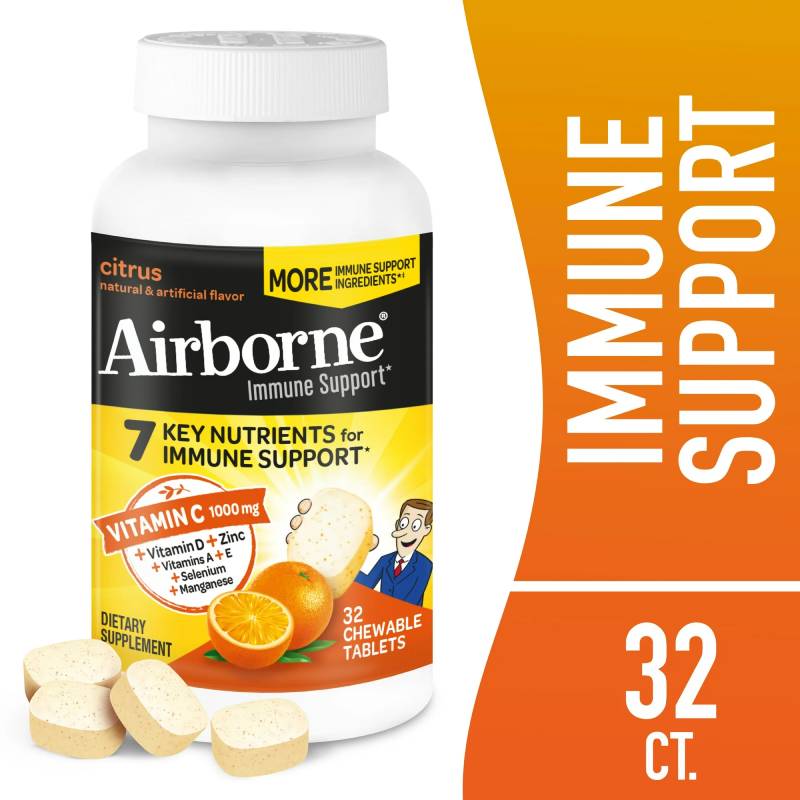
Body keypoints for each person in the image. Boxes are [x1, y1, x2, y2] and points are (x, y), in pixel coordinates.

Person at [355, 498, 432, 606]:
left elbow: (412, 599)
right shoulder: (385, 560)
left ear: (426, 529)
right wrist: (351, 563)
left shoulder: (424, 565)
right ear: (397, 524)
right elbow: (367, 584)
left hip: (407, 615)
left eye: (415, 526)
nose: (406, 532)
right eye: (404, 524)